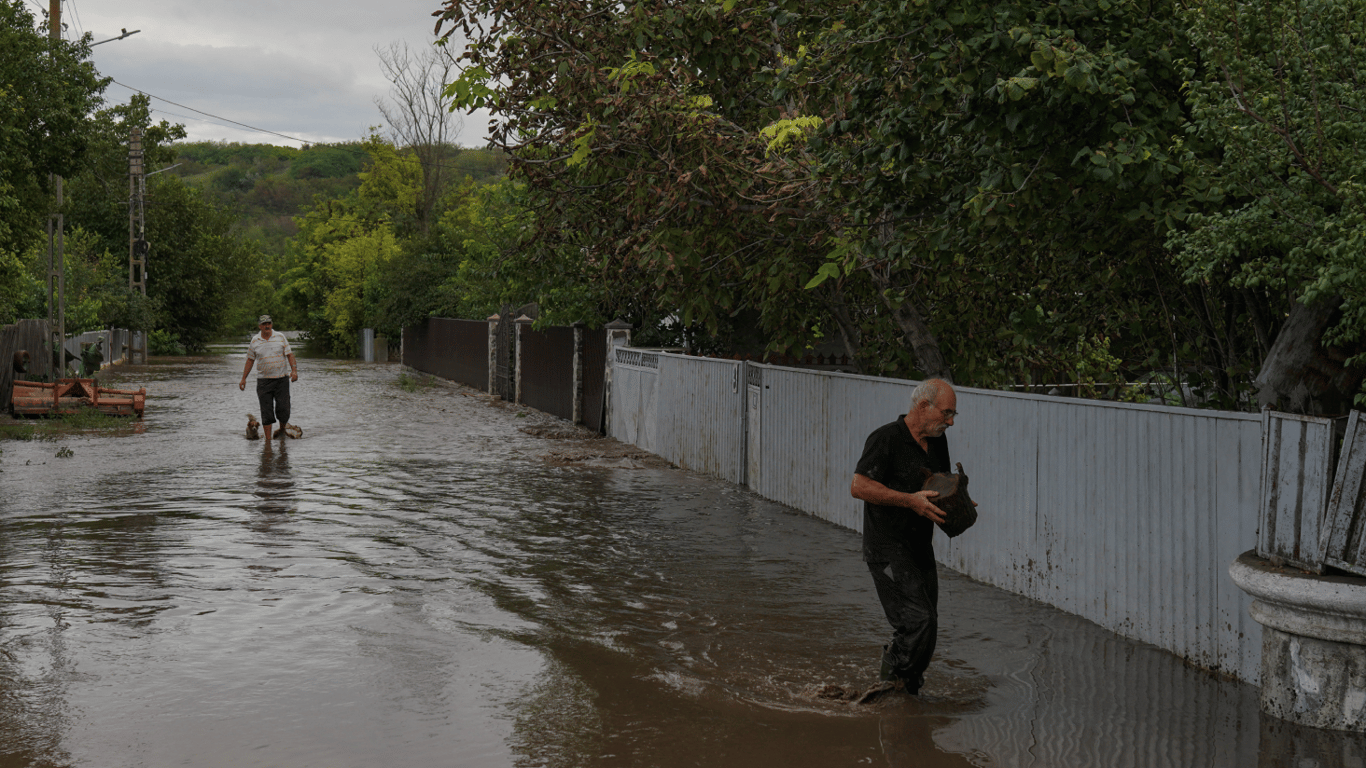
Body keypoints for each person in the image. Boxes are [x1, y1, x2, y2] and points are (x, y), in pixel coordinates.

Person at [850, 378, 958, 695]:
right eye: (946, 413)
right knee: (918, 620)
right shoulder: (885, 439)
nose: (950, 421)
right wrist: (909, 500)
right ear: (923, 406)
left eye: (954, 415)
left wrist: (958, 497)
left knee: (928, 624)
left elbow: (939, 483)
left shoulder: (937, 440)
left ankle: (905, 690)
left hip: (919, 547)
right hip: (886, 549)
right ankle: (890, 689)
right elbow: (859, 487)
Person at [239, 315, 298, 441]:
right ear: (260, 326)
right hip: (263, 381)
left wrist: (294, 370)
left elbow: (290, 355)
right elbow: (250, 360)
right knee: (266, 412)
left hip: (281, 379)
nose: (267, 326)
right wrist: (243, 378)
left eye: (269, 323)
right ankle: (268, 441)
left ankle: (282, 430)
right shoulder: (255, 340)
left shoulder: (280, 337)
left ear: (271, 324)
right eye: (264, 324)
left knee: (284, 408)